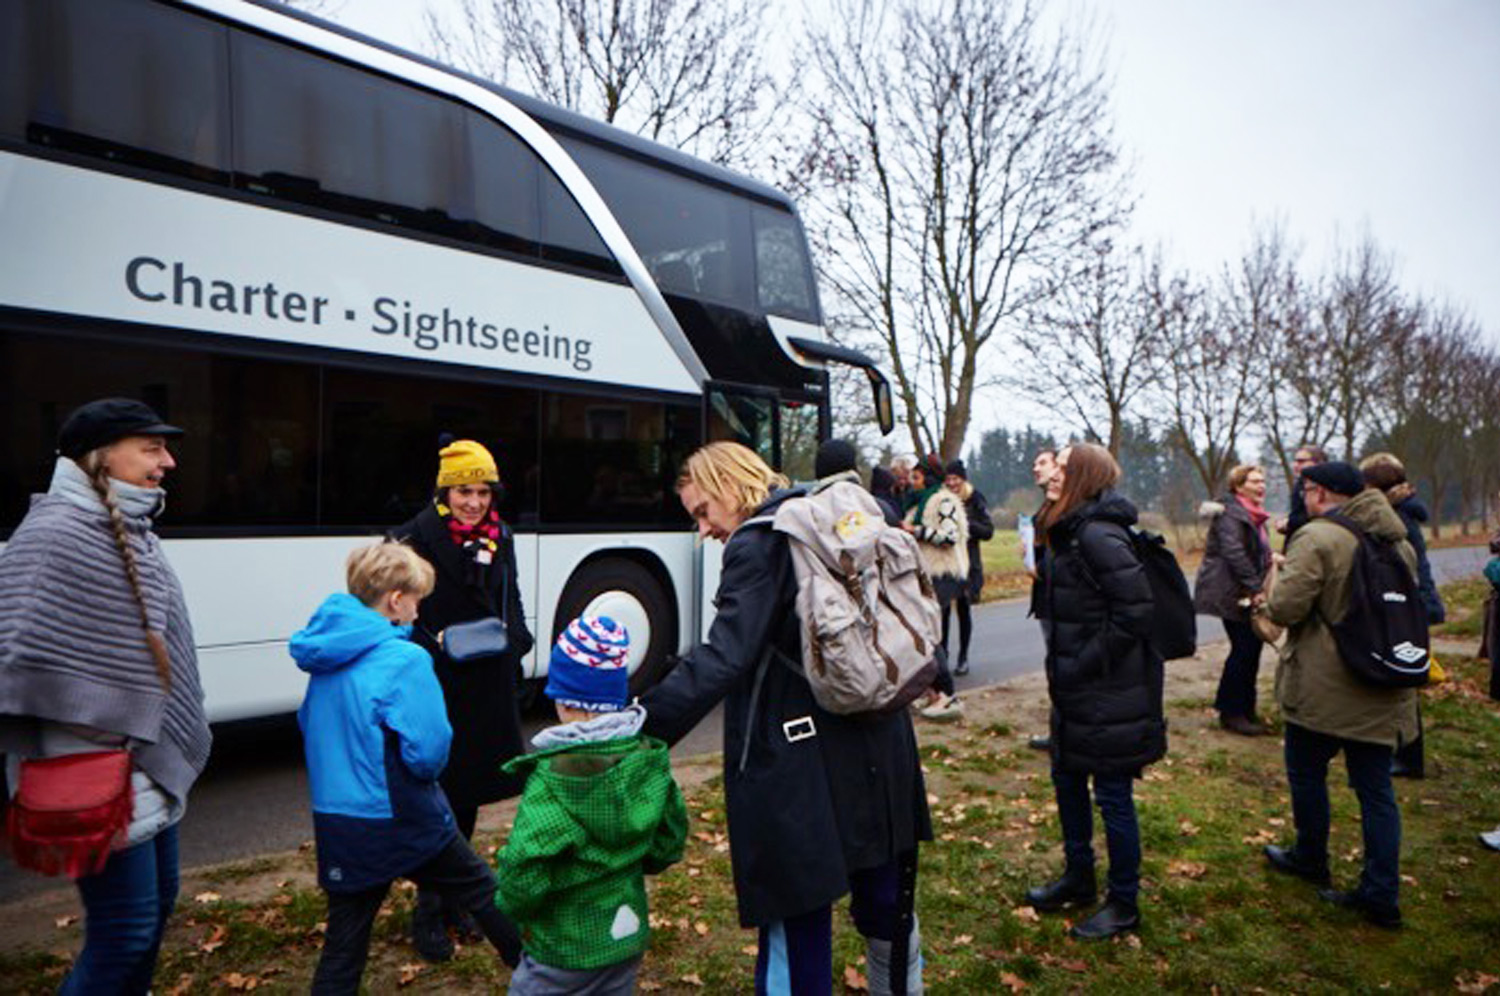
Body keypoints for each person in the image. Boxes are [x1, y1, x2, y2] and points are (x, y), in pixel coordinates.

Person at [642, 442, 931, 996]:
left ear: (730, 485)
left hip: (802, 757)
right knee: (887, 899)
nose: (703, 530)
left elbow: (726, 654)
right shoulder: (826, 514)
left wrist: (642, 723)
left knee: (796, 915)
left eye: (703, 512)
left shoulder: (758, 542)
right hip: (879, 734)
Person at [0, 398, 213, 994]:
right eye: (151, 448)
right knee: (125, 929)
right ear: (100, 457)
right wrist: (114, 717)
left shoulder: (133, 527)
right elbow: (18, 657)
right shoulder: (54, 535)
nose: (167, 462)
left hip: (147, 770)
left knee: (154, 915)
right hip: (99, 774)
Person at [290, 541, 522, 993]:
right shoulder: (405, 659)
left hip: (339, 820)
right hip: (401, 813)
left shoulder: (325, 658)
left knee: (344, 943)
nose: (419, 610)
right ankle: (545, 974)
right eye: (417, 599)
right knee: (482, 890)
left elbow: (309, 724)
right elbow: (430, 749)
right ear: (396, 601)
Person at [391, 438, 534, 962]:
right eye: (463, 491)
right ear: (443, 491)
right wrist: (438, 649)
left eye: (482, 491)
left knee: (467, 795)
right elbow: (396, 613)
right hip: (436, 682)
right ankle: (429, 908)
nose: (474, 502)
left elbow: (510, 597)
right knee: (438, 796)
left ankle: (455, 899)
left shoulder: (501, 535)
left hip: (487, 681)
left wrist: (517, 641)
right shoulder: (410, 538)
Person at [1260, 461, 1418, 930]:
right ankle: (1381, 893)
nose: (1304, 496)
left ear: (1322, 493)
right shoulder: (1398, 540)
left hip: (1326, 687)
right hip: (1384, 679)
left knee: (1306, 772)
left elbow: (1286, 608)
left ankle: (1311, 856)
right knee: (1376, 791)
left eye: (1307, 488)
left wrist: (1274, 587)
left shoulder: (1319, 537)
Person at [496, 616, 687, 995]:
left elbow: (525, 865)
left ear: (566, 701)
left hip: (562, 946)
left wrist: (514, 906)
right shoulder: (647, 762)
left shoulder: (554, 781)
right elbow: (669, 842)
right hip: (625, 933)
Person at [1024, 442, 1163, 940]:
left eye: (1061, 464)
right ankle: (1078, 878)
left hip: (1108, 692)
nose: (1052, 472)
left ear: (1081, 475)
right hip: (1076, 690)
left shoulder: (1101, 536)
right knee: (1067, 780)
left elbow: (1136, 614)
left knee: (1112, 795)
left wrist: (1081, 665)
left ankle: (1123, 902)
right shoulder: (1068, 531)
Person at [1360, 453, 1444, 779]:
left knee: (1404, 680)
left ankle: (1409, 756)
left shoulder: (1398, 518)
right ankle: (1405, 752)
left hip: (1407, 605)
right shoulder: (1400, 511)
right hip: (1411, 604)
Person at [1193, 464, 1273, 736]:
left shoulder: (1253, 515)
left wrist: (1272, 559)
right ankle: (1232, 712)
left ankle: (1244, 709)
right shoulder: (1231, 514)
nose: (1261, 486)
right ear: (1238, 486)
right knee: (1244, 649)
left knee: (1250, 649)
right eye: (1254, 482)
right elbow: (1234, 552)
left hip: (1243, 590)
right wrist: (1254, 587)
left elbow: (1255, 551)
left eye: (1262, 481)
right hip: (1231, 591)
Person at [904, 455, 969, 721]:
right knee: (926, 633)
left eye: (916, 477)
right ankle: (932, 693)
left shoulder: (943, 501)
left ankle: (946, 694)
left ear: (927, 478)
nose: (912, 482)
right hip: (925, 575)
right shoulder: (919, 503)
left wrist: (916, 531)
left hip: (942, 574)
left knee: (931, 634)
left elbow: (949, 537)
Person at [944, 459, 993, 677]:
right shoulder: (942, 500)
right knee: (942, 610)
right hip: (945, 562)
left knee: (964, 610)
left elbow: (988, 531)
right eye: (948, 479)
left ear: (963, 479)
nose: (952, 483)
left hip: (968, 564)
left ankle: (963, 657)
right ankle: (942, 655)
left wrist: (965, 524)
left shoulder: (975, 498)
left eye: (955, 478)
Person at [1025, 447, 1059, 751]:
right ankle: (1059, 733)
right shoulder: (1046, 506)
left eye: (1043, 463)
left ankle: (1064, 736)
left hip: (1060, 602)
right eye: (1035, 463)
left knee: (1062, 669)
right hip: (1047, 600)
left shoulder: (1063, 505)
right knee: (1055, 668)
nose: (1036, 468)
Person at [1277, 444, 1327, 546]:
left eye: (1301, 461)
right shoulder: (1300, 485)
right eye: (1295, 461)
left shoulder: (1327, 487)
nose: (1296, 465)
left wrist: (1288, 523)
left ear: (1318, 462)